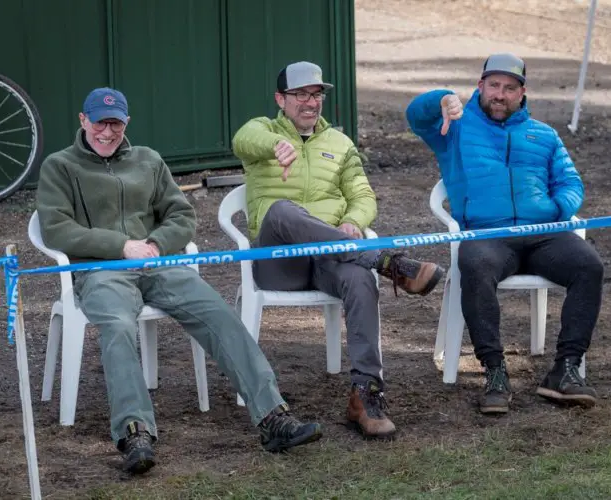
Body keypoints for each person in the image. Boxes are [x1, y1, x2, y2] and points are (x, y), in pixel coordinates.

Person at [36, 87, 323, 474]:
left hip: (159, 264)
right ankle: (134, 431)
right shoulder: (60, 165)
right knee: (118, 327)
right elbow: (56, 230)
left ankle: (273, 416)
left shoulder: (149, 161)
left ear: (127, 123)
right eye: (100, 122)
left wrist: (155, 243)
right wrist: (121, 246)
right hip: (100, 271)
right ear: (83, 120)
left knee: (218, 312)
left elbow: (182, 216)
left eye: (116, 123)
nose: (108, 131)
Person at [232, 61, 446, 440]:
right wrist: (276, 145)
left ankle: (365, 395)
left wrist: (354, 220)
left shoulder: (340, 144)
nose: (310, 102)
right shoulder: (261, 132)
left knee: (360, 278)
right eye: (300, 95)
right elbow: (243, 140)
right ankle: (385, 260)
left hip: (333, 257)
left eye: (317, 94)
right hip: (279, 261)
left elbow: (363, 195)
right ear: (281, 99)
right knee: (283, 210)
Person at [406, 53, 604, 414]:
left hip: (545, 234)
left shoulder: (544, 135)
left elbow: (571, 182)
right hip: (487, 235)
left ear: (522, 92)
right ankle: (495, 371)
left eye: (509, 88)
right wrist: (441, 99)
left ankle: (566, 369)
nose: (500, 94)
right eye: (493, 85)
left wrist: (556, 209)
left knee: (588, 265)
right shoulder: (455, 128)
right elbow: (414, 116)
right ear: (480, 86)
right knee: (476, 265)